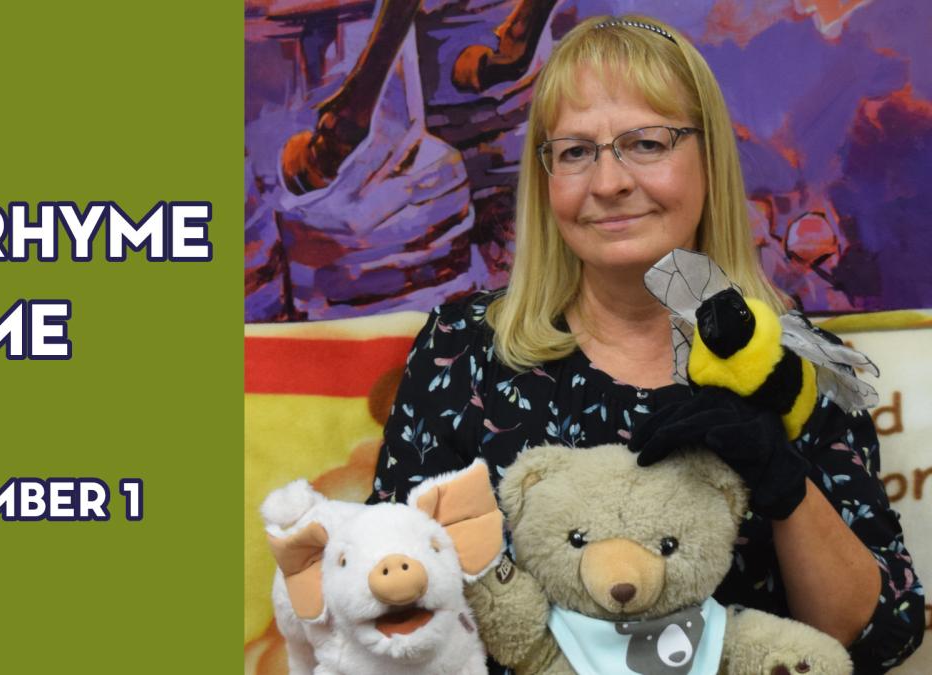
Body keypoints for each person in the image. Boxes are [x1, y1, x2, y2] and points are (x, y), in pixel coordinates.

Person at [367, 14, 923, 674]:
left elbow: (875, 634)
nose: (608, 184)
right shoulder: (462, 351)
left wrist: (782, 481)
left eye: (647, 143)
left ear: (709, 158)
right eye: (575, 152)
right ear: (544, 179)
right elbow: (388, 605)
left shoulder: (791, 367)